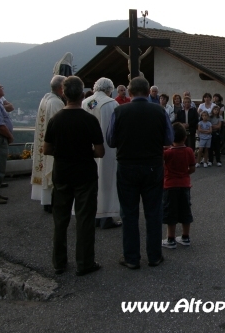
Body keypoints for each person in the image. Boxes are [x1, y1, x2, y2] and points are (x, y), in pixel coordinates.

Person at [106, 77, 174, 269]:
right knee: (153, 212)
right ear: (147, 92)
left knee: (128, 213)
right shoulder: (159, 111)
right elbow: (169, 138)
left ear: (129, 92)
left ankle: (131, 258)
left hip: (127, 166)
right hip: (153, 166)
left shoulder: (119, 111)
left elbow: (111, 140)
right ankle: (154, 256)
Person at [43, 76, 105, 276]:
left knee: (60, 219)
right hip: (85, 174)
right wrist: (86, 153)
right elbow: (100, 151)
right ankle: (85, 262)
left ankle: (59, 262)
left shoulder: (55, 120)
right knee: (84, 219)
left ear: (63, 93)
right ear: (81, 95)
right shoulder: (90, 120)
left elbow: (47, 149)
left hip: (61, 174)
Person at [82, 77, 121, 229]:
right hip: (107, 149)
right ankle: (107, 216)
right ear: (109, 90)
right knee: (107, 181)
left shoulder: (85, 103)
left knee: (92, 182)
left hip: (88, 149)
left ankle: (93, 215)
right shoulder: (112, 104)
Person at [31, 75, 66, 212]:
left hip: (45, 143)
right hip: (53, 145)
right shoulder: (56, 103)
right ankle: (52, 201)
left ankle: (48, 201)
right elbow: (60, 126)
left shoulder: (46, 98)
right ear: (60, 88)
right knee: (52, 171)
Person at [161, 123, 196, 249]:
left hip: (170, 185)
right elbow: (192, 168)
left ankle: (170, 238)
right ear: (185, 137)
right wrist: (184, 174)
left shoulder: (168, 153)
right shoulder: (189, 151)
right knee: (185, 210)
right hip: (185, 184)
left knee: (171, 212)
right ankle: (185, 236)